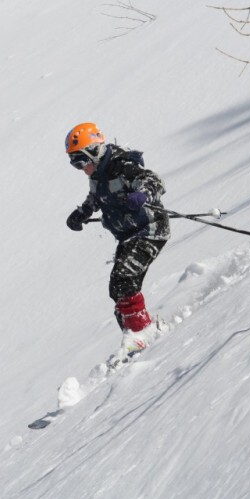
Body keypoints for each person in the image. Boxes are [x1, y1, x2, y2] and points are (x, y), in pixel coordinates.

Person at [64, 122, 170, 358]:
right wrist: (83, 212)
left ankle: (141, 334)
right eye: (74, 164)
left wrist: (142, 195)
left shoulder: (123, 165)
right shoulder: (98, 175)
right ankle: (137, 334)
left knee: (124, 278)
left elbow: (154, 181)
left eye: (80, 161)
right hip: (128, 236)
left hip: (149, 230)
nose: (80, 168)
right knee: (117, 288)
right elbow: (95, 196)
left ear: (94, 152)